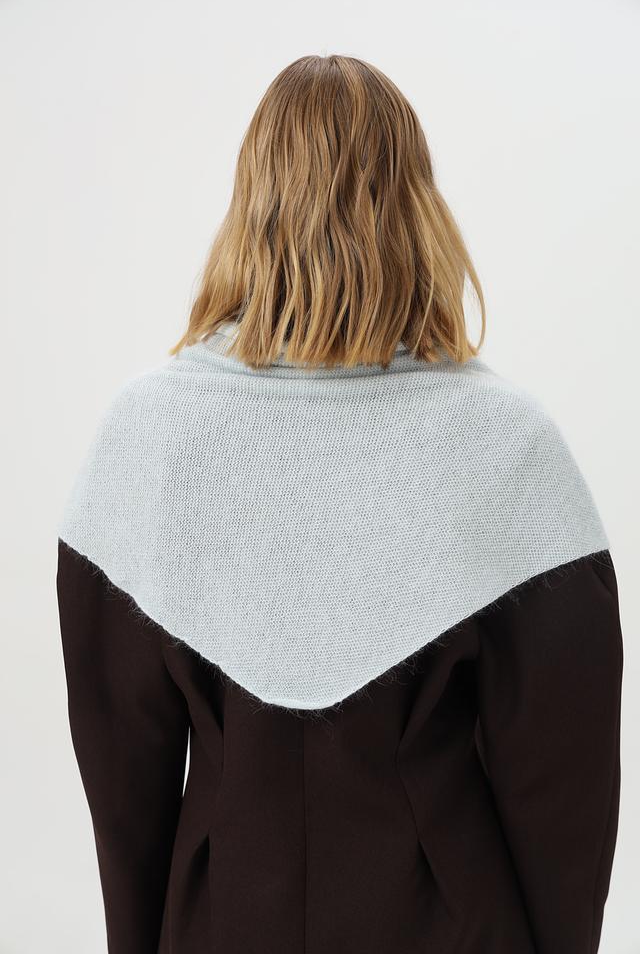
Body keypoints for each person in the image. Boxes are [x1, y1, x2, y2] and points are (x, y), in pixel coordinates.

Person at [56, 54, 623, 954]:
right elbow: (562, 790)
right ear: (418, 209)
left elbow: (124, 786)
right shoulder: (505, 443)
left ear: (251, 203)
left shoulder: (148, 439)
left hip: (218, 921)